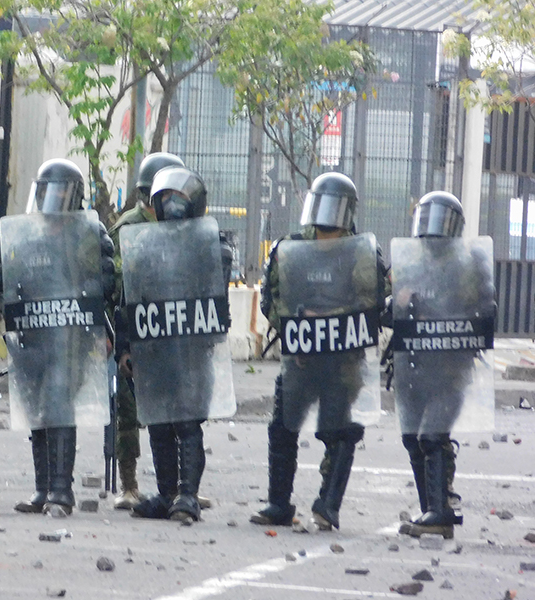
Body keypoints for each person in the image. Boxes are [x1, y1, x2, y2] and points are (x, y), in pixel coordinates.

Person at [250, 172, 390, 530]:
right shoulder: (290, 249)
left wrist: (325, 318)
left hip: (343, 364)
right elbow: (272, 300)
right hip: (300, 361)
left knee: (340, 433)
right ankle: (279, 504)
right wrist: (293, 327)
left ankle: (328, 505)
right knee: (283, 429)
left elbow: (371, 305)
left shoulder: (361, 253)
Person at [117, 166, 234, 523]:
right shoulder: (144, 244)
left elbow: (214, 301)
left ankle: (188, 495)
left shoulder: (213, 247)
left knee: (186, 423)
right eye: (166, 199)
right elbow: (130, 299)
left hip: (192, 350)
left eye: (179, 200)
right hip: (155, 349)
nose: (172, 206)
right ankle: (167, 493)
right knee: (158, 422)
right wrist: (125, 347)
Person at [0, 158, 115, 516]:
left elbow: (106, 280)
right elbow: (7, 280)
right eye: (49, 189)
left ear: (75, 194)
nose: (55, 196)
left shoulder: (89, 234)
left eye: (62, 190)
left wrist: (80, 295)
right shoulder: (27, 234)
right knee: (37, 410)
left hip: (69, 339)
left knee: (59, 405)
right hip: (33, 336)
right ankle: (42, 489)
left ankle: (61, 491)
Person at [391, 191, 494, 539]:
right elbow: (385, 314)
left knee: (432, 435)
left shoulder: (469, 266)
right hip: (413, 370)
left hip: (449, 371)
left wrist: (433, 312)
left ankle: (439, 511)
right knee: (413, 440)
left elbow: (484, 316)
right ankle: (432, 512)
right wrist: (398, 304)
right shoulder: (409, 266)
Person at [107, 152, 184, 509]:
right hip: (136, 334)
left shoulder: (183, 226)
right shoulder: (129, 228)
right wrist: (123, 346)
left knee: (179, 413)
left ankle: (180, 486)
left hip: (173, 335)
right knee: (128, 411)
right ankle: (129, 484)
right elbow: (121, 292)